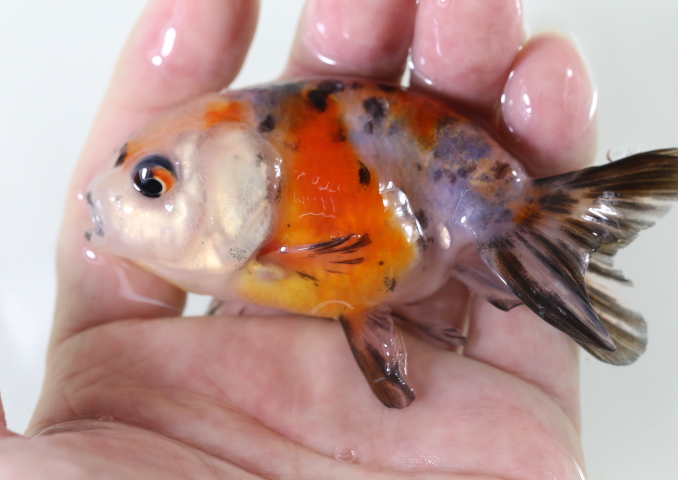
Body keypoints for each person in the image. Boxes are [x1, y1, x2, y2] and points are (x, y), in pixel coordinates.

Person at [0, 0, 597, 477]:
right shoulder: (253, 260)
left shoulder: (268, 253)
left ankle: (553, 226)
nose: (108, 200)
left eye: (153, 182)